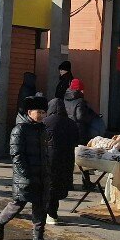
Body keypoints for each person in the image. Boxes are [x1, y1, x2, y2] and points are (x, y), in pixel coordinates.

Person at [0, 95, 61, 240]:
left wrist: (48, 171)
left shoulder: (42, 129)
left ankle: (38, 238)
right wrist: (25, 175)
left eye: (45, 112)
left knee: (40, 206)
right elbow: (16, 155)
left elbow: (45, 152)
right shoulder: (20, 129)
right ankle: (0, 221)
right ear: (30, 112)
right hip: (26, 176)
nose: (43, 115)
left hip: (42, 175)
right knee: (18, 204)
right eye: (40, 112)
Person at [43, 95, 78, 226]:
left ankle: (50, 214)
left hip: (49, 159)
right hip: (67, 159)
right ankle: (53, 213)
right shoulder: (71, 123)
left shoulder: (45, 122)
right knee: (59, 184)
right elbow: (76, 140)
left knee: (49, 186)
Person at [63, 78, 97, 144]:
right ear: (79, 89)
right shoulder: (80, 101)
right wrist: (91, 118)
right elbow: (80, 117)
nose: (83, 91)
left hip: (67, 127)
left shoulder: (65, 99)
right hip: (78, 129)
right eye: (82, 89)